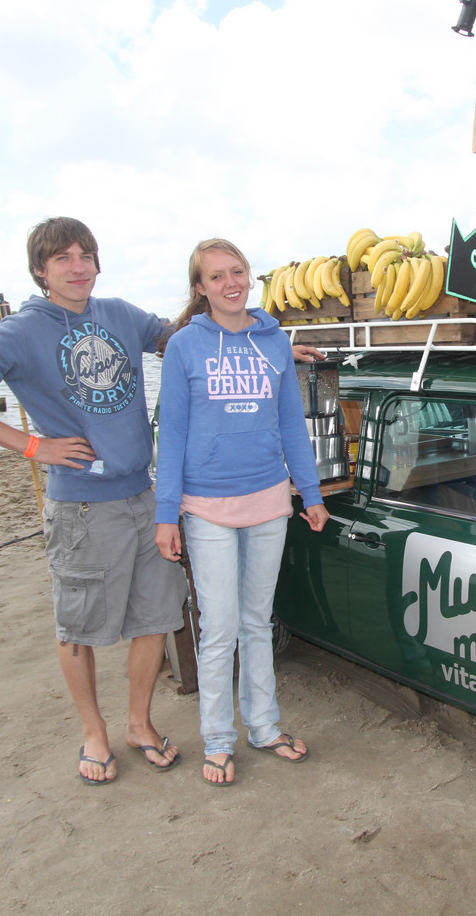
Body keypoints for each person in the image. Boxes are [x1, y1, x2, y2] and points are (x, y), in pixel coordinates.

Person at [0, 216, 189, 786]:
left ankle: (139, 724)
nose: (77, 267)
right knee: (78, 625)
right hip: (82, 509)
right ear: (40, 270)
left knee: (155, 616)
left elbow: (185, 339)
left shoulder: (120, 314)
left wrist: (261, 333)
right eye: (63, 258)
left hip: (143, 496)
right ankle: (94, 733)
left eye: (85, 255)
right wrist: (33, 446)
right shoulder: (21, 331)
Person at [153, 238, 330, 787]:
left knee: (257, 620)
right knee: (219, 627)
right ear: (200, 288)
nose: (230, 283)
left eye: (238, 271)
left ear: (249, 277)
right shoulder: (184, 346)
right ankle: (217, 739)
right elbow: (172, 433)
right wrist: (166, 514)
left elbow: (291, 424)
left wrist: (311, 492)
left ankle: (264, 726)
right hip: (206, 504)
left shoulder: (274, 340)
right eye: (217, 276)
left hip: (269, 500)